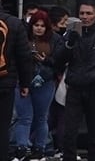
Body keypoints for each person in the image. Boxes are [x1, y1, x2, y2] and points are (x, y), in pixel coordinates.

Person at [53, 3, 95, 161]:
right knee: (70, 131)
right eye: (82, 13)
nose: (85, 17)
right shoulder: (71, 34)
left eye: (88, 13)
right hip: (74, 87)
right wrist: (69, 44)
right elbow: (57, 60)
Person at [13, 10, 58, 160]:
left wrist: (46, 60)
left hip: (44, 81)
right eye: (36, 25)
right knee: (24, 117)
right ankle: (22, 147)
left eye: (42, 25)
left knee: (41, 117)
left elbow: (60, 62)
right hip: (22, 81)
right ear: (31, 25)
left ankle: (40, 147)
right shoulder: (22, 38)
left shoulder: (54, 39)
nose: (39, 28)